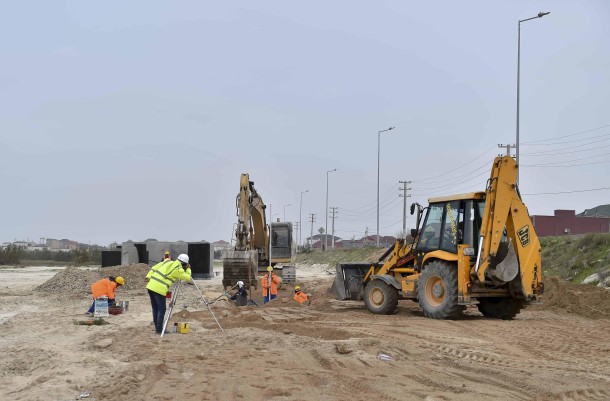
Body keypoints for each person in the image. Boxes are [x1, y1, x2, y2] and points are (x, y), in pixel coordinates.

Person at [145, 253, 192, 335]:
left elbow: (154, 267)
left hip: (150, 286)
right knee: (161, 309)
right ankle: (159, 330)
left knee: (155, 308)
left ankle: (157, 328)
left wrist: (148, 276)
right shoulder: (178, 269)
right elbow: (187, 278)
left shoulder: (167, 262)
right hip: (159, 289)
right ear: (184, 263)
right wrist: (188, 269)